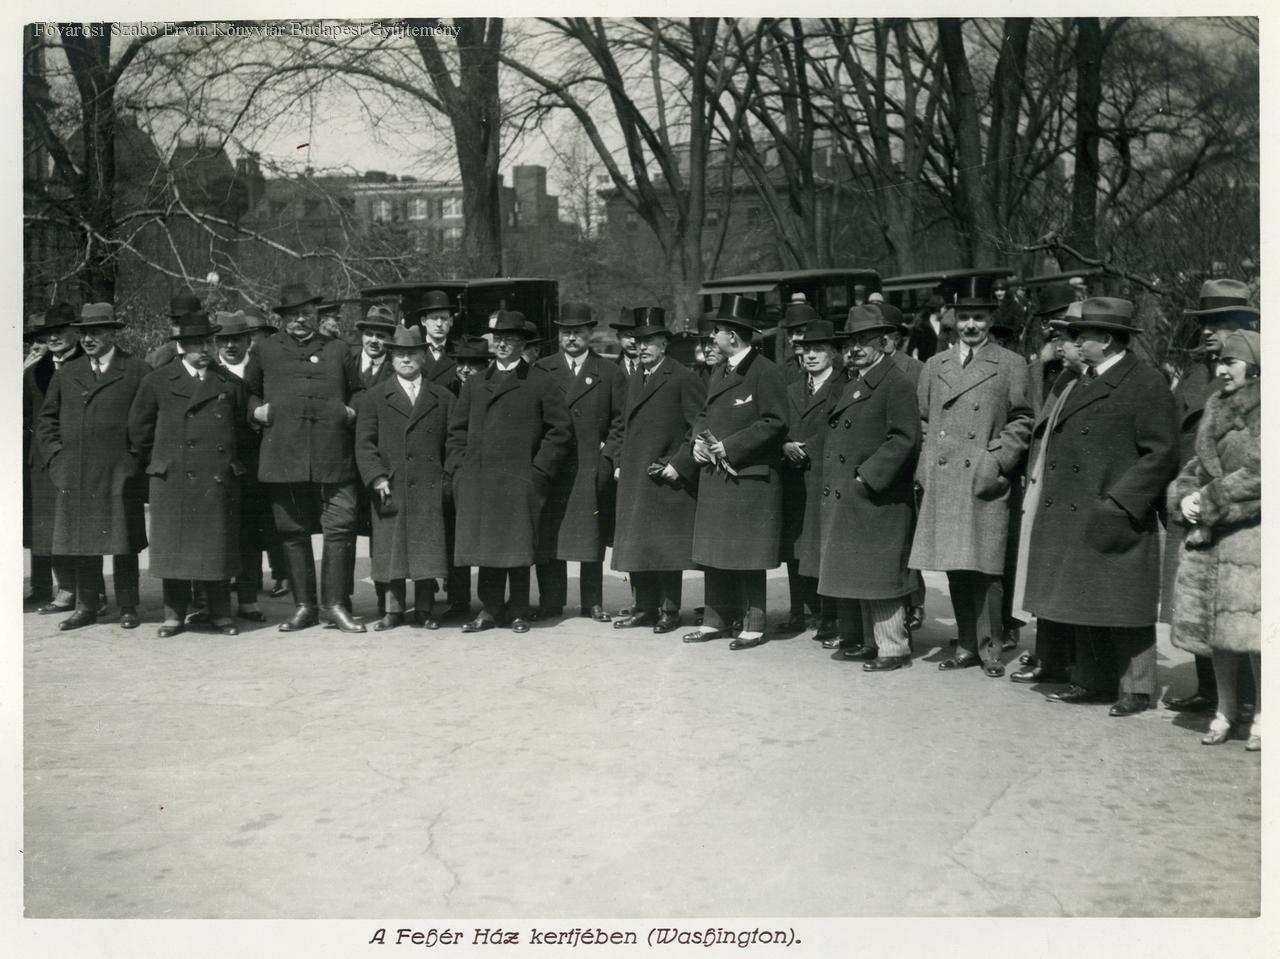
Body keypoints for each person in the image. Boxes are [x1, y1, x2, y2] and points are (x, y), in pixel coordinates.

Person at [1022, 298, 1179, 716]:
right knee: (1084, 599)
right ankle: (1092, 681)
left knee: (1126, 605)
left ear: (1107, 340)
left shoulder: (1145, 383)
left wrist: (1120, 503)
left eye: (1081, 335)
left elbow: (1161, 454)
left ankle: (1137, 689)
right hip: (1080, 512)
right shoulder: (1083, 380)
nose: (1073, 342)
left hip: (1116, 512)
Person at [909, 273, 1032, 678]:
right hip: (944, 479)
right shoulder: (934, 365)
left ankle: (990, 647)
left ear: (991, 320)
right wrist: (927, 465)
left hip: (984, 478)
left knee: (987, 568)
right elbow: (922, 421)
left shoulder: (1011, 364)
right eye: (964, 318)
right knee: (956, 567)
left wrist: (995, 461)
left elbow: (1022, 420)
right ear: (954, 320)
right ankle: (965, 645)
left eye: (979, 318)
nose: (971, 325)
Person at [1162, 279, 1260, 714]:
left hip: (1240, 514)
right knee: (1201, 603)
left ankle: (1250, 702)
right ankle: (1213, 692)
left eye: (1218, 323)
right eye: (1204, 323)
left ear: (1243, 327)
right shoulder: (1194, 375)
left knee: (1244, 609)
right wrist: (1181, 496)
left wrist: (1211, 498)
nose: (1206, 331)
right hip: (1196, 507)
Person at [247, 282, 366, 633]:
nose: (300, 319)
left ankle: (335, 605)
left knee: (340, 527)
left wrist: (349, 412)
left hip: (333, 454)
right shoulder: (265, 350)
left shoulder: (338, 349)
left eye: (306, 313)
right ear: (281, 317)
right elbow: (248, 392)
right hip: (284, 454)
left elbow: (359, 391)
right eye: (293, 314)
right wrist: (258, 412)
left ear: (316, 314)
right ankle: (304, 607)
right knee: (292, 531)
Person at [446, 310, 572, 633]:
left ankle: (517, 610)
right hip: (480, 481)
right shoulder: (475, 384)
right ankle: (489, 610)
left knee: (518, 548)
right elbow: (456, 431)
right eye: (498, 338)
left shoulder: (540, 382)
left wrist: (538, 472)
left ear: (522, 343)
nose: (502, 345)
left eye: (510, 339)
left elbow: (559, 431)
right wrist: (460, 471)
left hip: (521, 481)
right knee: (487, 549)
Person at [128, 312, 251, 637]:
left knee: (217, 549)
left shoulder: (229, 383)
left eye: (209, 342)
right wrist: (163, 463)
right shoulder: (157, 381)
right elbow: (139, 431)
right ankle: (174, 616)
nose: (205, 349)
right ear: (181, 346)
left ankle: (220, 614)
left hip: (217, 479)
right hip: (173, 480)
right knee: (176, 549)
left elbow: (242, 431)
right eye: (197, 344)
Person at [679, 294, 788, 651]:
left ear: (734, 335)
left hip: (748, 478)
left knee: (747, 555)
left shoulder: (765, 371)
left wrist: (730, 447)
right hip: (717, 475)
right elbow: (704, 415)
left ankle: (754, 627)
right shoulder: (719, 370)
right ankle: (715, 621)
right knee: (714, 553)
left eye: (717, 331)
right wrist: (697, 441)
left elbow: (775, 422)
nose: (712, 338)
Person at [819, 308, 922, 670]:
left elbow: (905, 440)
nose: (856, 347)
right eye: (851, 341)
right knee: (862, 573)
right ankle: (869, 641)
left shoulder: (895, 382)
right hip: (859, 497)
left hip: (879, 498)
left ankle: (893, 648)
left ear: (883, 341)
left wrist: (866, 478)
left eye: (864, 340)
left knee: (881, 577)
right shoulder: (858, 380)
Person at [36, 303, 148, 630]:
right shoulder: (67, 372)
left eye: (95, 332)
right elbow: (47, 421)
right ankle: (86, 606)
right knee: (82, 543)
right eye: (83, 333)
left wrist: (132, 461)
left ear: (112, 333)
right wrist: (57, 459)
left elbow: (147, 421)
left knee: (124, 544)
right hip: (76, 473)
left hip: (119, 473)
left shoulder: (137, 370)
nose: (88, 339)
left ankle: (128, 606)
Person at [355, 327, 456, 631]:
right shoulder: (374, 397)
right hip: (391, 484)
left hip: (429, 484)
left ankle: (425, 608)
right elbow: (364, 444)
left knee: (427, 548)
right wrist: (377, 477)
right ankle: (393, 610)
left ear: (424, 356)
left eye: (412, 354)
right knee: (392, 549)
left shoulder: (443, 397)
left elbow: (454, 443)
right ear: (391, 358)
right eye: (399, 354)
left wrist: (446, 478)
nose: (406, 359)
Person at [531, 301, 626, 621]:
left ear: (590, 334)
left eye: (578, 332)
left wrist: (607, 458)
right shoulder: (542, 369)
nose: (571, 338)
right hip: (553, 465)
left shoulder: (609, 372)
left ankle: (592, 602)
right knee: (550, 535)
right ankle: (551, 602)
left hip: (589, 465)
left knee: (590, 535)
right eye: (565, 332)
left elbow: (620, 423)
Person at [611, 315, 706, 633]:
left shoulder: (682, 376)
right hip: (634, 476)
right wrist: (618, 461)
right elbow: (623, 425)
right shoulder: (635, 377)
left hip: (664, 476)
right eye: (639, 342)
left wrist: (678, 464)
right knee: (638, 546)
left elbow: (698, 426)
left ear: (664, 344)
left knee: (665, 549)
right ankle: (644, 608)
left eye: (649, 342)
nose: (642, 348)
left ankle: (670, 610)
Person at [1009, 299, 1086, 684]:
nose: (1058, 343)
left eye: (1066, 336)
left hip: (1071, 490)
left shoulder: (1085, 380)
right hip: (1043, 481)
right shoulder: (1057, 375)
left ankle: (1063, 657)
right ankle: (1049, 654)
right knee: (1043, 570)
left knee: (1063, 575)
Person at [779, 319, 843, 638]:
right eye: (806, 350)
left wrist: (809, 449)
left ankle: (830, 615)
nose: (811, 356)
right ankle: (799, 611)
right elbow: (777, 425)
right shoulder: (791, 388)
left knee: (824, 546)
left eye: (819, 349)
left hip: (826, 479)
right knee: (796, 546)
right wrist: (784, 445)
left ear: (833, 353)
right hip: (794, 479)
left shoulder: (844, 387)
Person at [24, 304, 81, 611]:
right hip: (41, 461)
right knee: (46, 528)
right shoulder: (34, 370)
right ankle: (51, 588)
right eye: (49, 333)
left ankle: (84, 592)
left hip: (76, 456)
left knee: (77, 526)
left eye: (60, 331)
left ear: (76, 332)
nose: (54, 337)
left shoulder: (87, 364)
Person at [437, 335, 494, 620]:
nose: (466, 369)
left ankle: (489, 602)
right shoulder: (446, 391)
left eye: (474, 364)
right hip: (453, 473)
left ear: (485, 366)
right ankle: (458, 601)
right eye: (461, 363)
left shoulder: (490, 390)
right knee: (453, 539)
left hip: (484, 474)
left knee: (486, 540)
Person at [145, 292, 203, 369]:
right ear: (171, 325)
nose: (182, 329)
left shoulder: (211, 356)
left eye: (188, 323)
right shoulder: (154, 361)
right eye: (177, 323)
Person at [416, 290, 459, 391]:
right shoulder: (414, 351)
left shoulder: (460, 352)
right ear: (423, 321)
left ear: (451, 321)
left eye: (444, 318)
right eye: (434, 318)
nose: (439, 324)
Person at [613, 308, 643, 378]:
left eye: (637, 336)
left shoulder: (654, 368)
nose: (633, 341)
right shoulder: (610, 370)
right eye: (628, 335)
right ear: (618, 337)